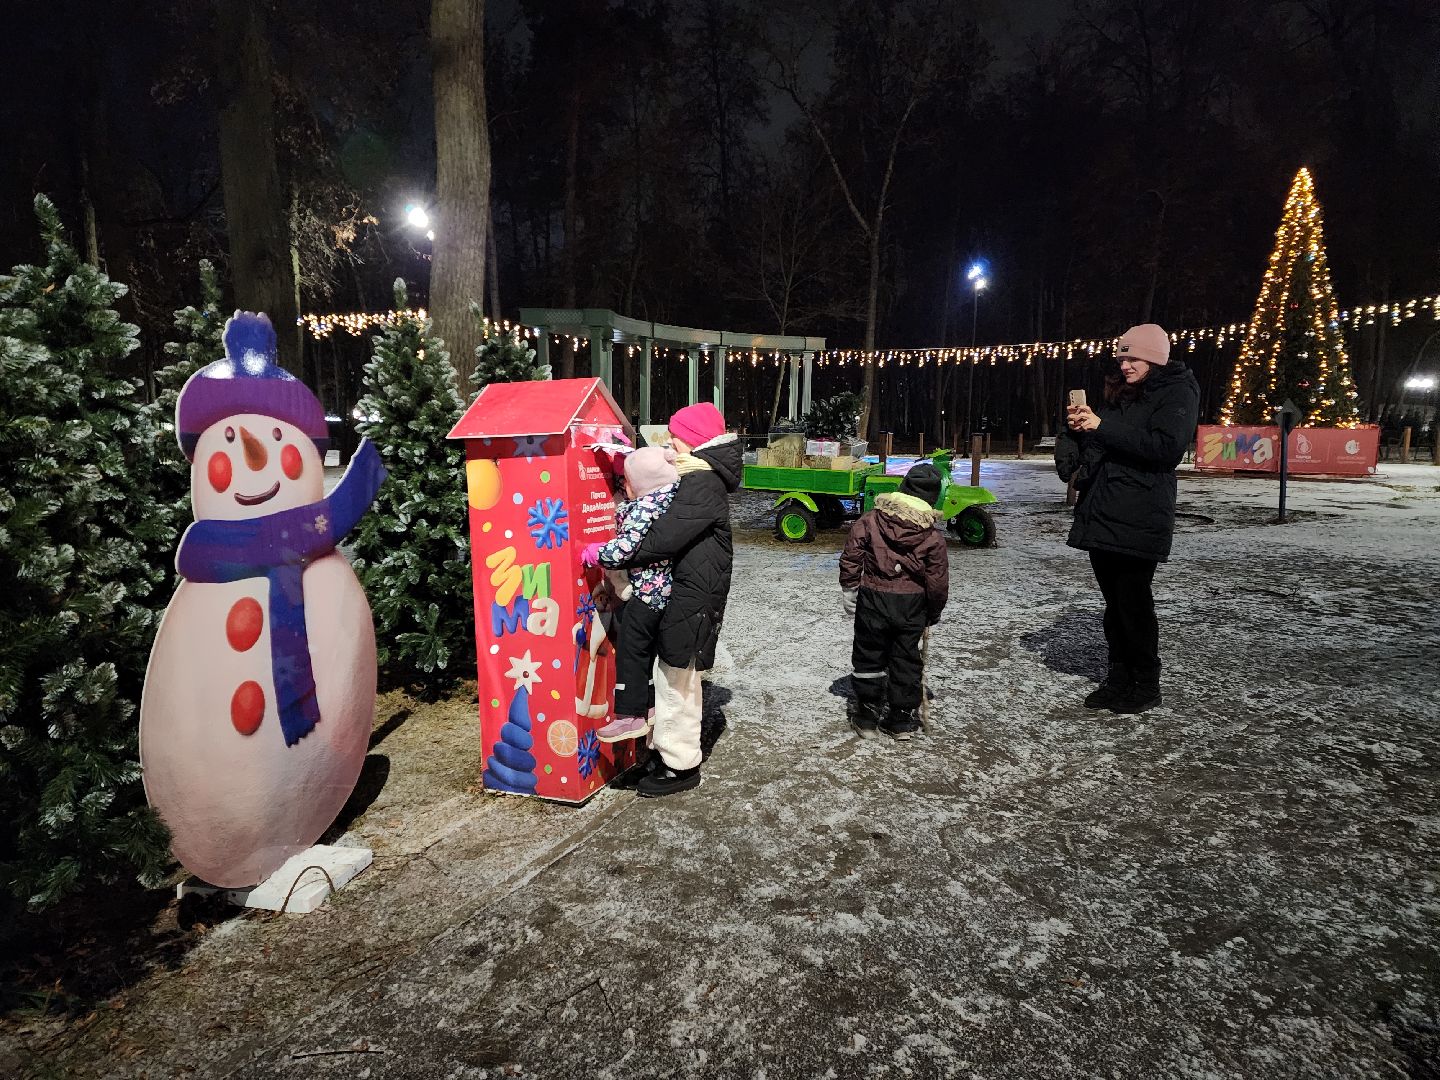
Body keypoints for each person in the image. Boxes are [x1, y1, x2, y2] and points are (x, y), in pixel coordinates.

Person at [1059, 322, 1200, 714]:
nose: (1124, 365)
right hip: (1105, 509)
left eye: (1132, 357)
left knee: (1133, 601)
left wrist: (1103, 426)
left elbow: (1165, 448)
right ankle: (1118, 676)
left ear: (1154, 357)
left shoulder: (1177, 391)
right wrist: (1082, 428)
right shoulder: (1126, 394)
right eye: (1121, 357)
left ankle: (1145, 682)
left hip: (1140, 512)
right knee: (1114, 602)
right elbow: (1109, 442)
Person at [611, 402, 740, 797]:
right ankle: (667, 753)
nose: (669, 445)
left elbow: (664, 537)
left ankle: (680, 765)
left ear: (694, 442)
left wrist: (619, 549)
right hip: (690, 592)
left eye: (675, 438)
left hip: (694, 597)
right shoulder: (700, 476)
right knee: (673, 677)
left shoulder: (701, 482)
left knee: (676, 683)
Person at [839, 462, 950, 741]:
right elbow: (937, 579)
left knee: (869, 654)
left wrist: (850, 588)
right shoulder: (932, 535)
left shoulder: (871, 520)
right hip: (911, 603)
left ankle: (866, 716)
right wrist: (933, 611)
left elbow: (853, 554)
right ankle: (900, 720)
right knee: (905, 657)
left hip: (873, 599)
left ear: (903, 488)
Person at [580, 447, 680, 744]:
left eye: (627, 480)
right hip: (664, 591)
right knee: (647, 651)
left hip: (647, 594)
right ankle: (648, 704)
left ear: (642, 483)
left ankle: (629, 715)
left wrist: (598, 554)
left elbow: (627, 548)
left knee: (631, 651)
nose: (623, 485)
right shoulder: (667, 499)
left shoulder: (645, 507)